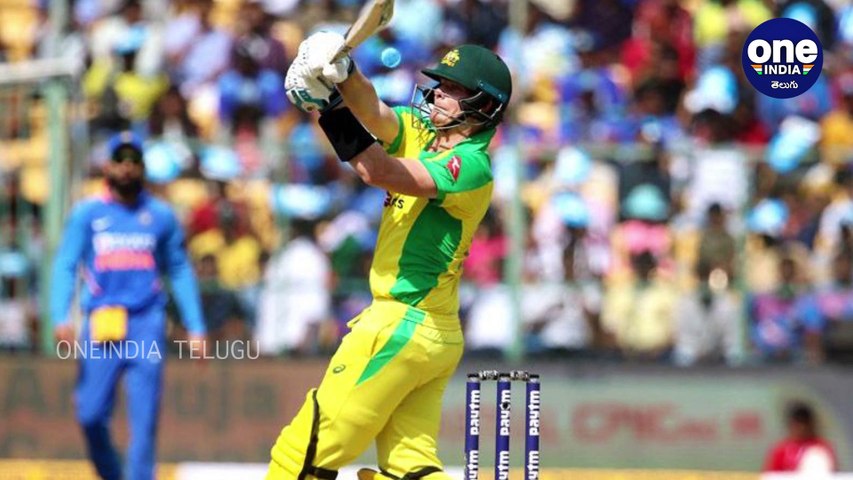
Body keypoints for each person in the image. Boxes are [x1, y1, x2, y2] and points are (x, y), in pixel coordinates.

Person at [273, 33, 512, 480]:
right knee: (410, 467)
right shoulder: (425, 133)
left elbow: (379, 171)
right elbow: (373, 111)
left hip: (401, 323)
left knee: (304, 450)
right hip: (434, 335)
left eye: (453, 89)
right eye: (439, 83)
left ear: (483, 104)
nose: (437, 93)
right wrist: (343, 72)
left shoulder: (472, 165)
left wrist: (327, 108)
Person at [50, 131, 206, 480]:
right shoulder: (87, 214)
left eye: (134, 160)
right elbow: (65, 264)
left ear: (143, 167)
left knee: (144, 421)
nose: (126, 167)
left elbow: (179, 269)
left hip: (146, 321)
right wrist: (60, 315)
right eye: (119, 159)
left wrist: (196, 326)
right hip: (102, 320)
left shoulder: (160, 215)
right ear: (107, 166)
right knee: (90, 414)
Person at [764, 402, 838, 473]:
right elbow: (771, 475)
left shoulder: (821, 447)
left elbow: (833, 473)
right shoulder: (781, 450)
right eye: (797, 424)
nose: (801, 428)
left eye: (804, 424)